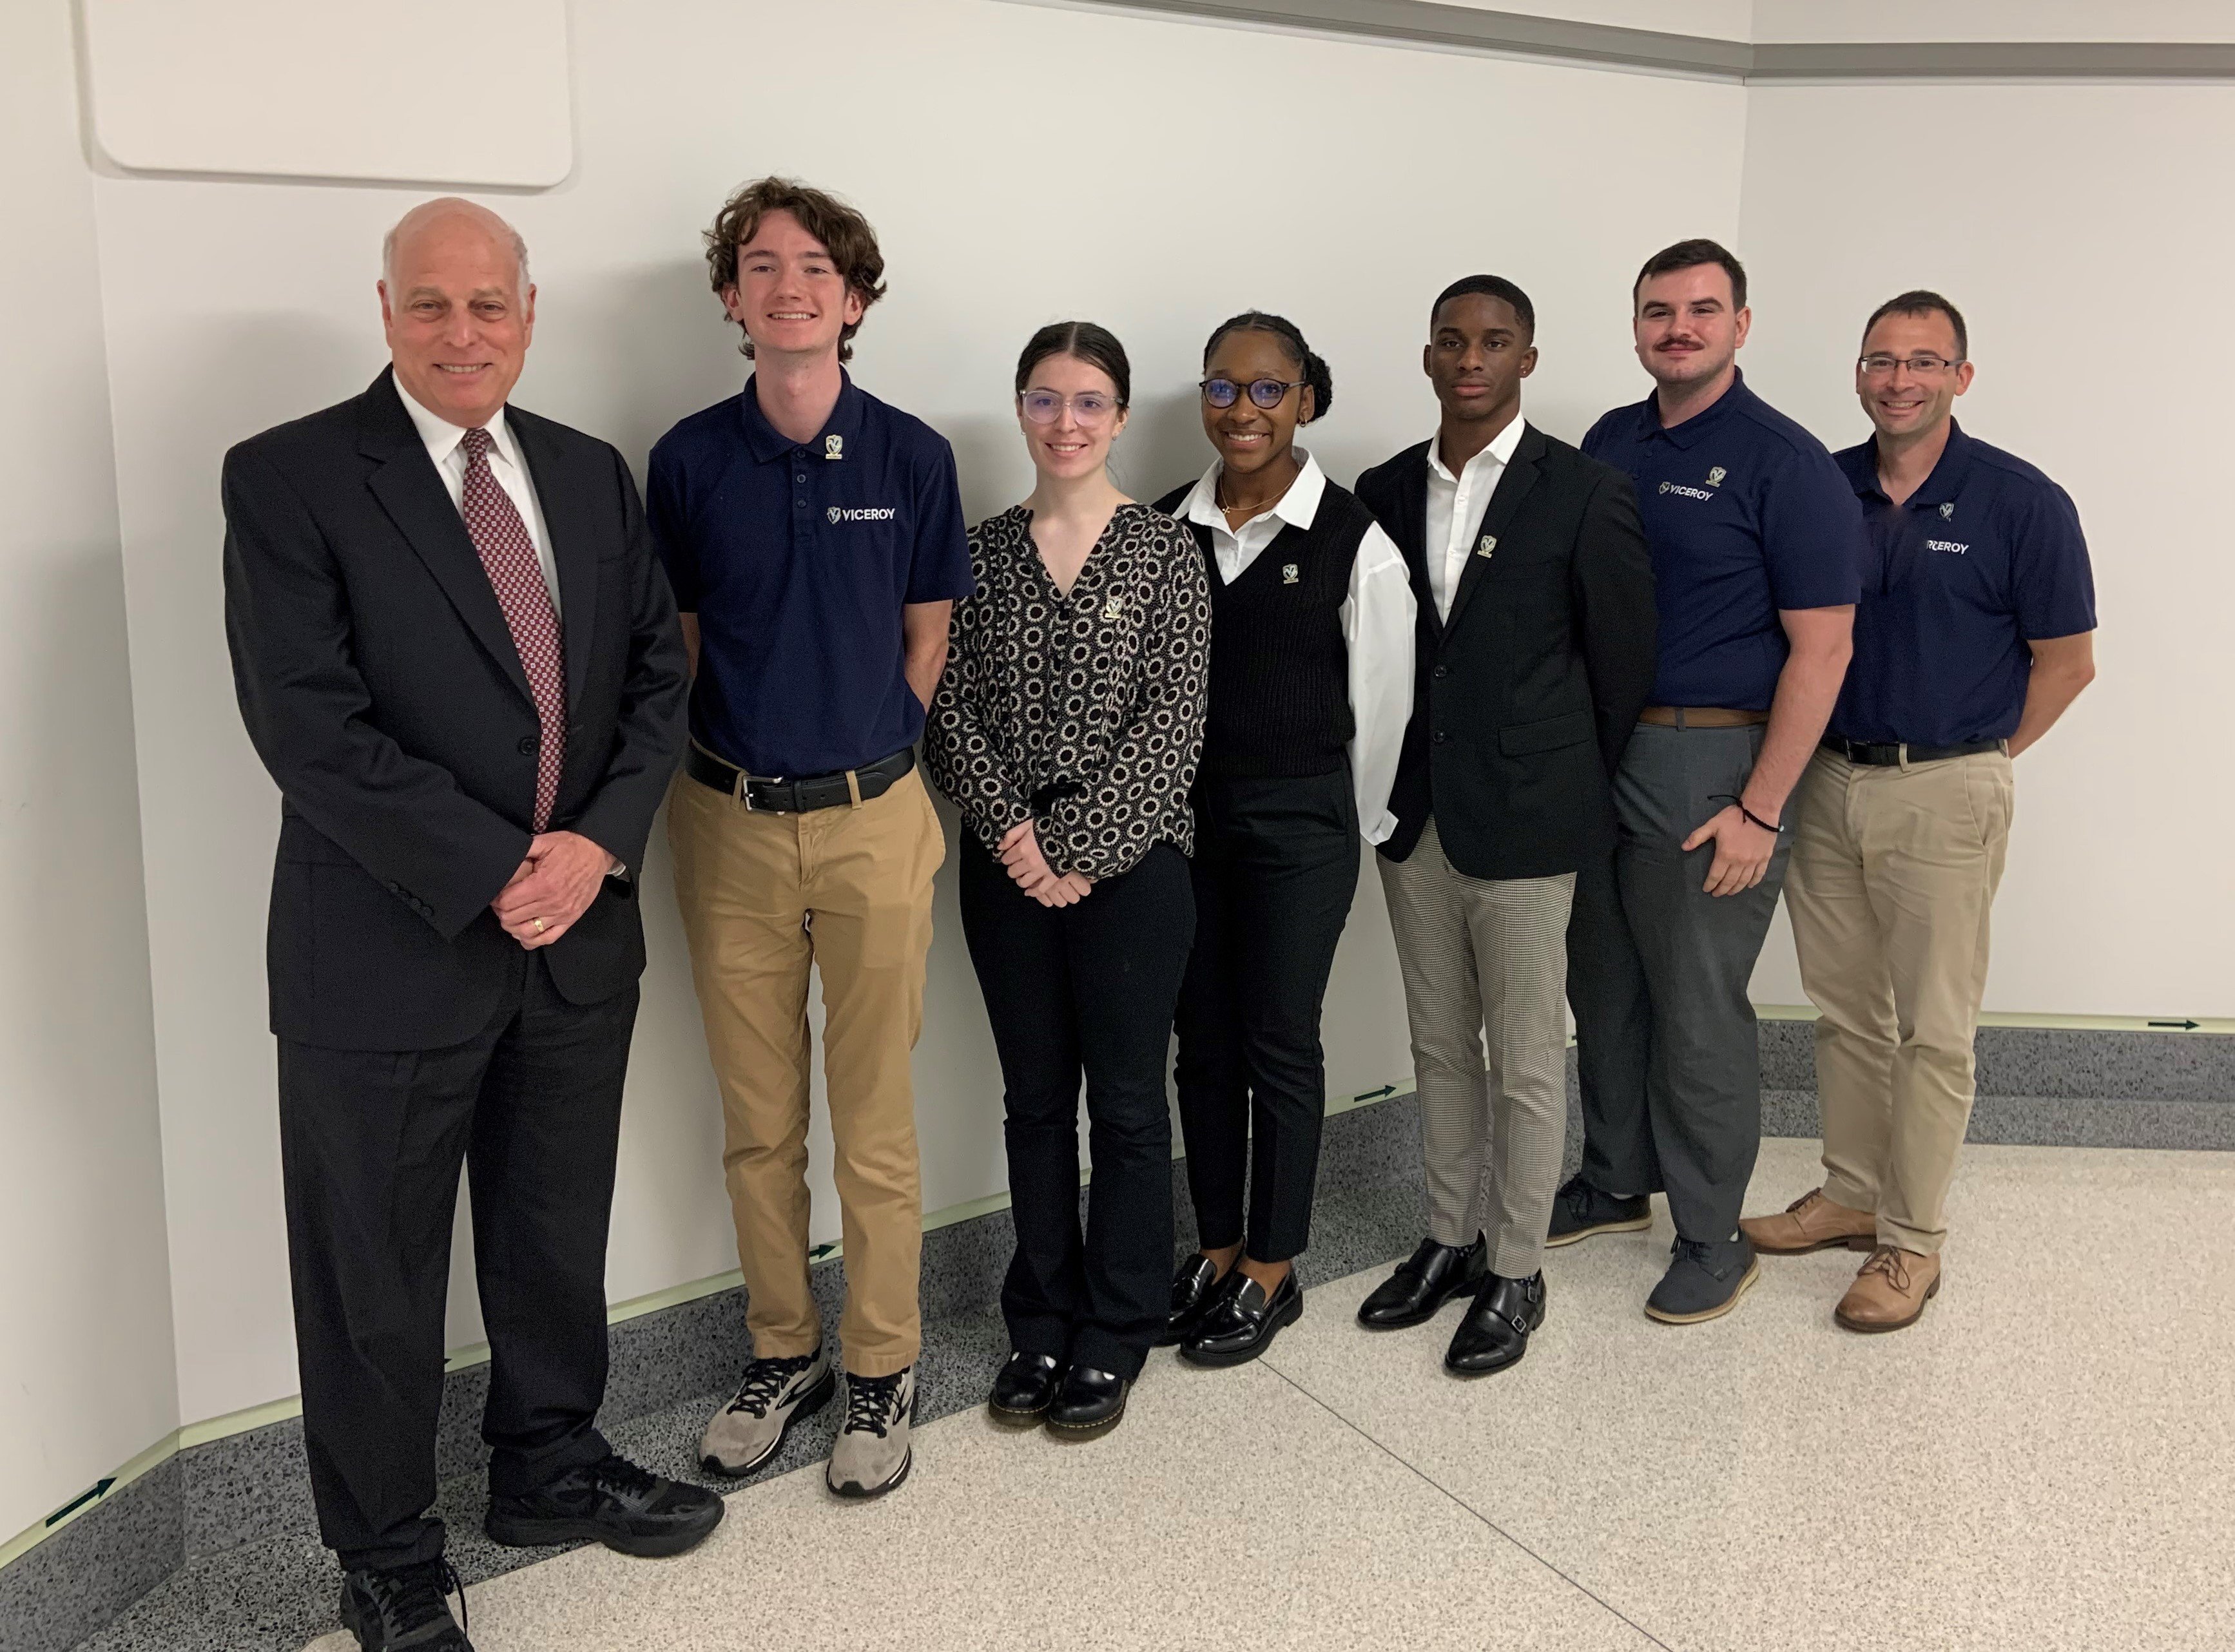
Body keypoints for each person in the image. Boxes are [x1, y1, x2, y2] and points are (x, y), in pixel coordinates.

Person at [222, 198, 714, 1652]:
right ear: (384, 314)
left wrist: (595, 849)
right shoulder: (292, 476)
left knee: (552, 1231)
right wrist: (504, 865)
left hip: (576, 940)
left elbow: (652, 688)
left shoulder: (585, 473)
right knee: (372, 1267)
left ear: (529, 312)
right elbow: (308, 724)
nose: (460, 331)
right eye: (428, 305)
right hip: (383, 948)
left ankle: (549, 1466)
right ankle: (383, 1552)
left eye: (485, 304)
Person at [651, 178, 972, 1500]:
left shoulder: (910, 456)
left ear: (854, 296)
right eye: (762, 266)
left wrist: (868, 753)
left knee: (877, 1122)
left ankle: (885, 1364)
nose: (790, 286)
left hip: (875, 820)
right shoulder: (684, 459)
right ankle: (784, 1352)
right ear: (732, 298)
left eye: (816, 267)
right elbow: (676, 644)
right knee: (756, 1120)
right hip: (725, 822)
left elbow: (928, 633)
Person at [1743, 291, 2096, 1332]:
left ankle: (1912, 1244)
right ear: (1859, 374)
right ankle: (1851, 1193)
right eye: (1881, 361)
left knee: (1935, 1033)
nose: (1899, 380)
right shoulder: (1823, 486)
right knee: (1847, 1011)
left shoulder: (2022, 503)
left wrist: (1975, 759)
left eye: (1923, 363)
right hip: (1828, 780)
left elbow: (2069, 665)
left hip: (1947, 789)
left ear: (1961, 378)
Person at [1353, 276, 1657, 1374]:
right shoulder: (1383, 489)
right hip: (1415, 817)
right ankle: (1449, 1238)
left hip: (1531, 824)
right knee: (1439, 1045)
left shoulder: (1583, 490)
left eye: (1494, 341)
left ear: (1528, 357)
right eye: (1452, 340)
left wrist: (1566, 785)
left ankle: (1517, 1268)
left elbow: (1621, 670)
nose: (1470, 357)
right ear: (1427, 356)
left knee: (1527, 1055)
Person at [1560, 238, 1864, 1324]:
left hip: (1712, 760)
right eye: (1657, 310)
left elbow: (1822, 651)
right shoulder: (1610, 439)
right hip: (1603, 751)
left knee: (1696, 1006)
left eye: (1701, 310)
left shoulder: (1788, 465)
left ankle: (1711, 1231)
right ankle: (1612, 1178)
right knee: (1602, 980)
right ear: (1636, 325)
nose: (1676, 328)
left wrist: (1760, 810)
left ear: (1742, 324)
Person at [927, 322, 1211, 1437]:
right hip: (1006, 875)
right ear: (1021, 408)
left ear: (1122, 417)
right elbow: (948, 710)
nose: (1066, 422)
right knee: (1035, 1103)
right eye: (1045, 400)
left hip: (1137, 874)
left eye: (1090, 402)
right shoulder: (979, 553)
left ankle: (1119, 1325)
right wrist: (1014, 838)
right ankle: (1040, 1316)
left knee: (1132, 1108)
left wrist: (1079, 848)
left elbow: (1175, 725)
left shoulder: (1165, 554)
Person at [1152, 312, 1416, 1367]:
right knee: (1200, 1040)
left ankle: (1274, 1264)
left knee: (1277, 1037)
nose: (1244, 410)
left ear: (1307, 398)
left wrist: (1333, 832)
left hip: (1302, 826)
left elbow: (1383, 712)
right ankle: (1216, 1248)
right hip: (1183, 824)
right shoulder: (1168, 524)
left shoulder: (1357, 542)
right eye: (1224, 388)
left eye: (1269, 390)